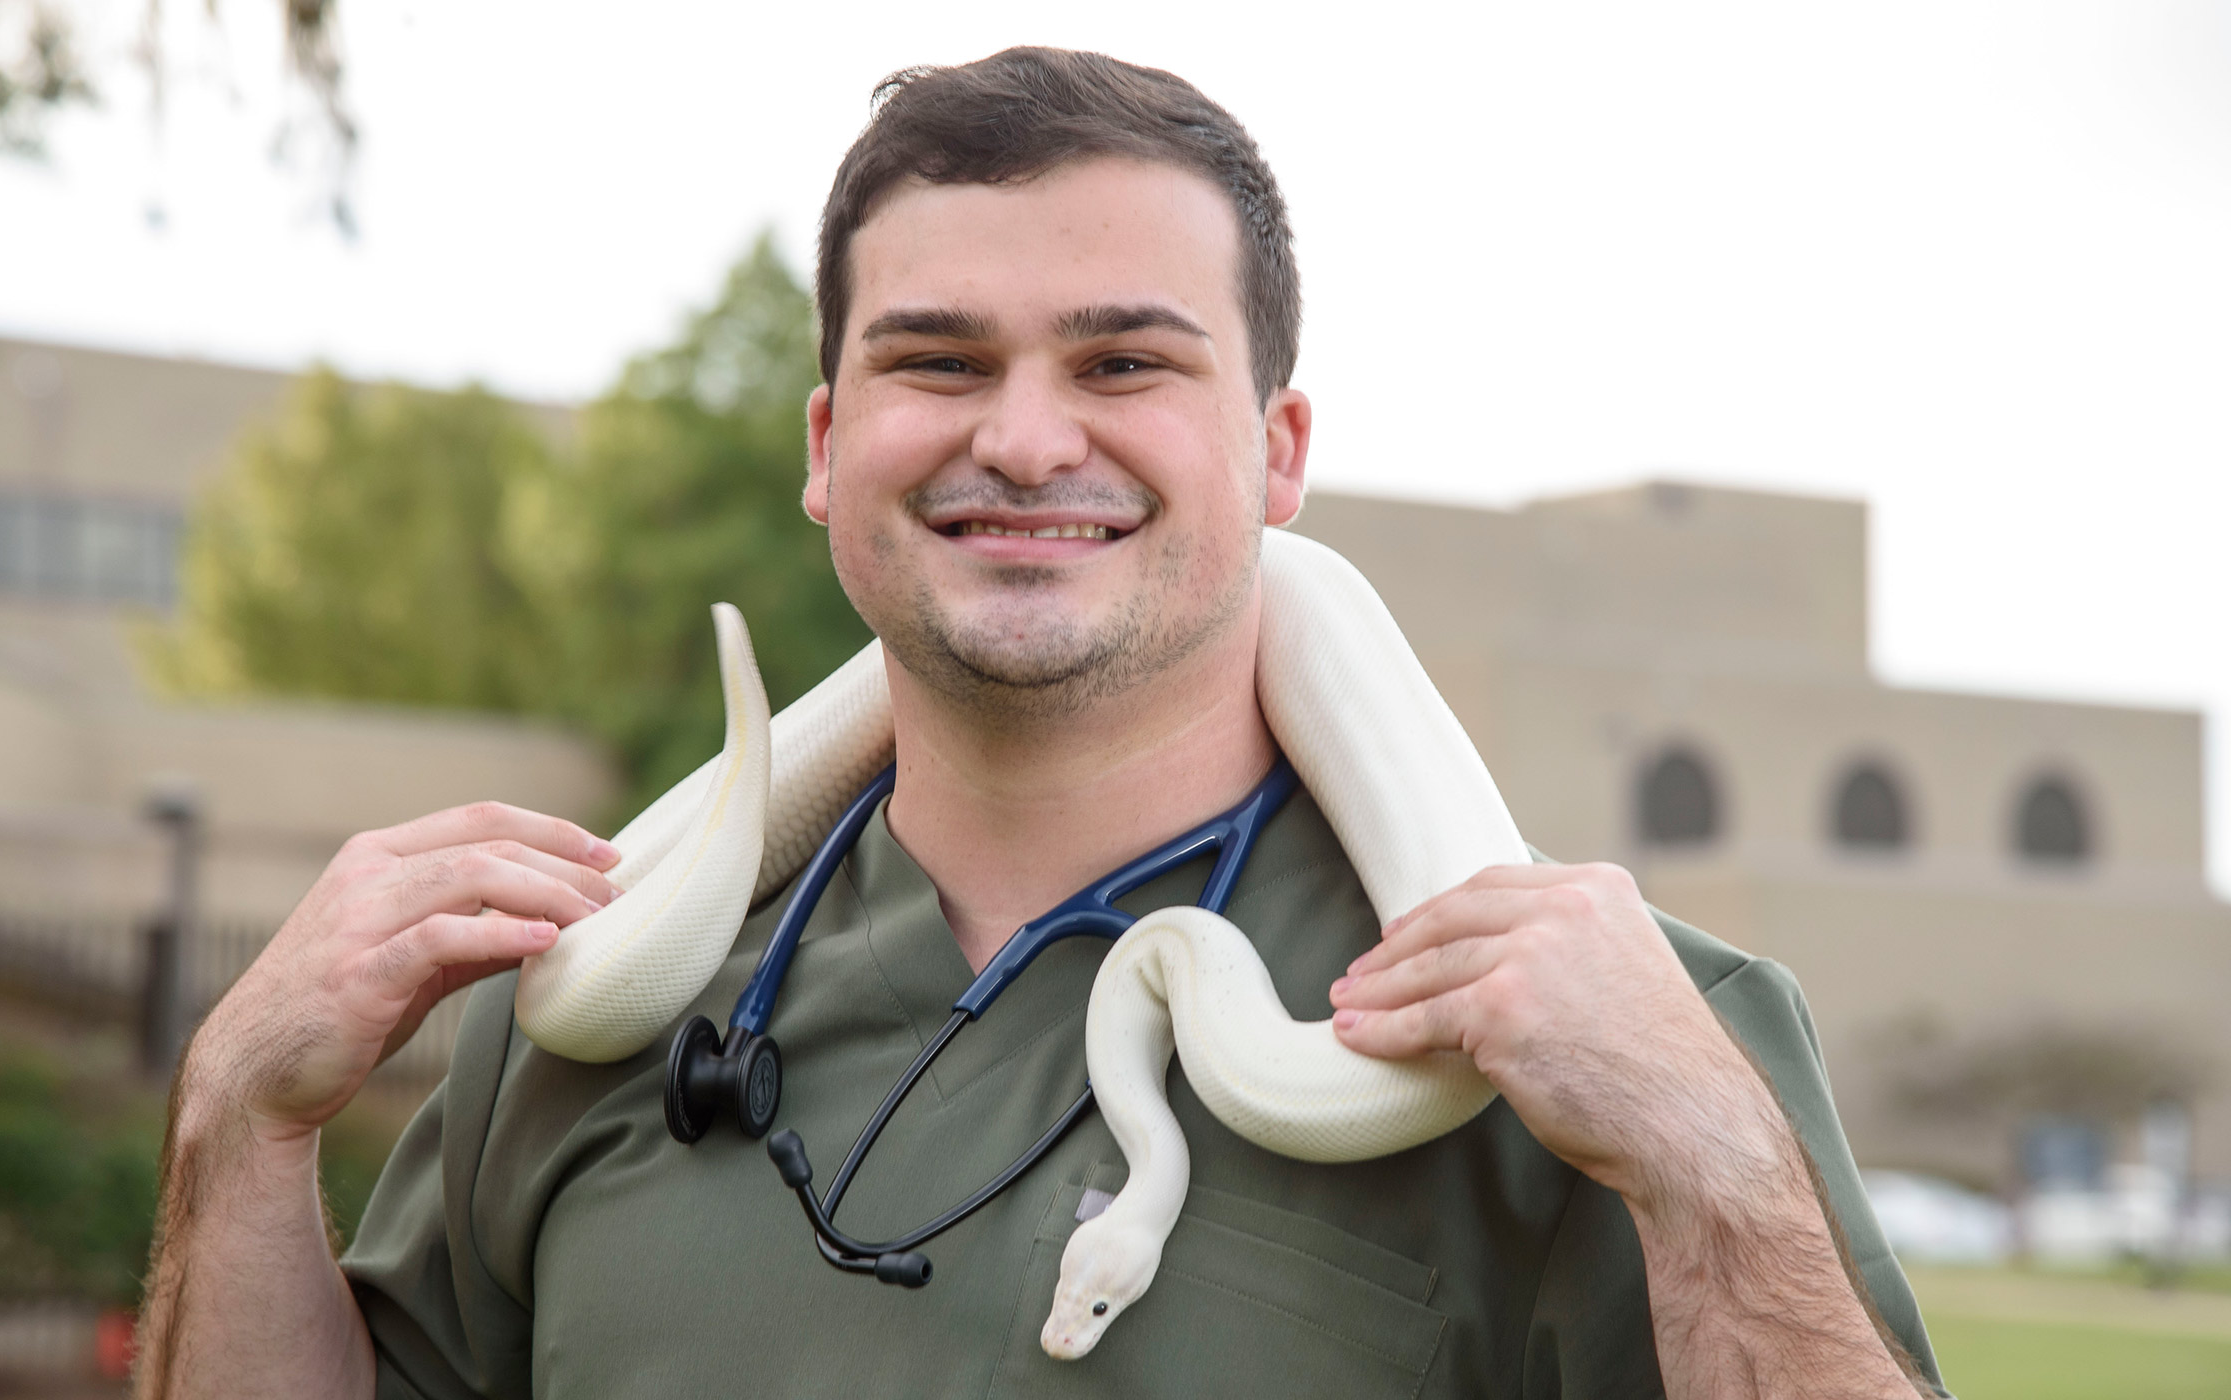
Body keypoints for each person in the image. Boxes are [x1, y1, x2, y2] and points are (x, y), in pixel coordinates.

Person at [137, 47, 1947, 1399]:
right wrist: (238, 1117)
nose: (1021, 438)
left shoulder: (1612, 1039)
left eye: (1124, 364)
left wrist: (1716, 1177)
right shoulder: (584, 1001)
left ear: (1278, 453)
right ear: (830, 445)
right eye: (937, 360)